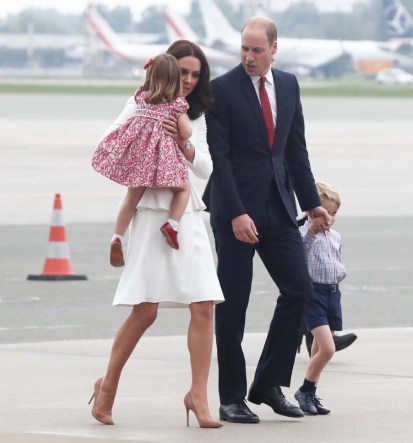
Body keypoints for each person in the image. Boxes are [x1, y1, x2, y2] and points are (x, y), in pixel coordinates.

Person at [89, 40, 225, 429]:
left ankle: (198, 396)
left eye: (195, 75)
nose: (188, 81)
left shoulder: (192, 113)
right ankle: (108, 386)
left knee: (204, 304)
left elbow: (206, 169)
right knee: (145, 310)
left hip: (187, 215)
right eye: (182, 72)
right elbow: (108, 143)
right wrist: (147, 137)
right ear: (165, 69)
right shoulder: (141, 102)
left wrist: (183, 143)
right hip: (149, 212)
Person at [203, 16, 330, 423]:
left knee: (299, 291)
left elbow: (296, 149)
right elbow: (219, 159)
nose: (249, 57)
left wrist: (312, 203)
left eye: (257, 50)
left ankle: (268, 384)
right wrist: (237, 212)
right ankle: (230, 396)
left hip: (278, 207)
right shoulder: (221, 90)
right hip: (234, 212)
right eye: (244, 48)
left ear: (274, 49)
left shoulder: (289, 85)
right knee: (233, 306)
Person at [91, 54, 192, 265]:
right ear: (175, 79)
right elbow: (187, 132)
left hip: (138, 160)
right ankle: (171, 225)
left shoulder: (141, 97)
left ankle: (117, 236)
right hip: (161, 163)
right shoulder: (176, 104)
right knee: (183, 188)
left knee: (131, 199)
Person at [294, 181, 346, 415]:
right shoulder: (303, 233)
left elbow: (335, 259)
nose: (329, 219)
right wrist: (312, 233)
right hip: (313, 294)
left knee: (318, 350)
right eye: (324, 214)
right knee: (328, 348)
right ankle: (304, 390)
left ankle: (311, 392)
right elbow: (299, 255)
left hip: (333, 293)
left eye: (333, 213)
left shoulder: (335, 236)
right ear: (310, 212)